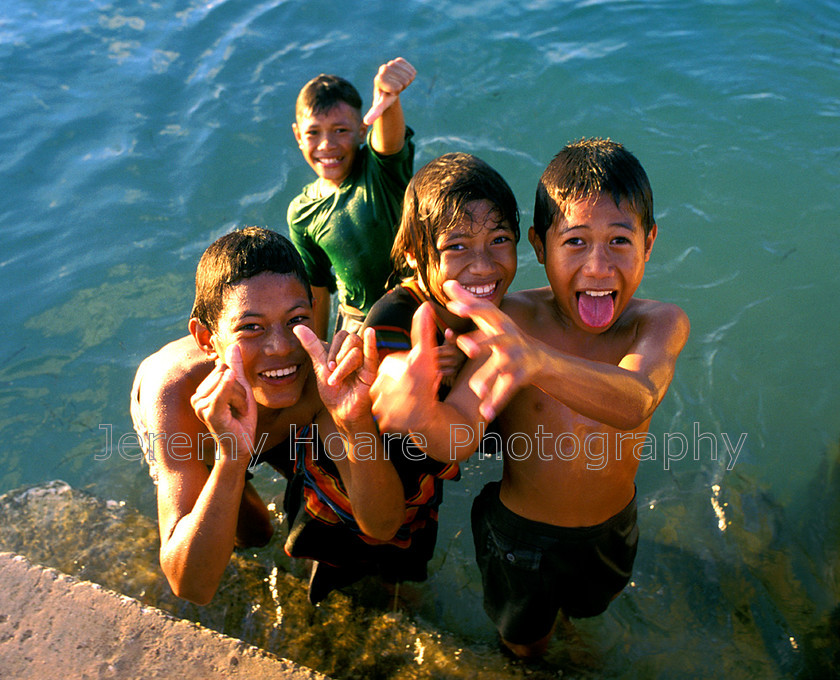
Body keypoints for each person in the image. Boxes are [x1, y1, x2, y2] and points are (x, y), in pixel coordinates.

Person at [372, 139, 690, 658]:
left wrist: (537, 362)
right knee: (524, 641)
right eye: (576, 242)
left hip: (611, 527)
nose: (597, 267)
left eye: (619, 241)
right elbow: (458, 434)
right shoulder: (510, 321)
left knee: (588, 609)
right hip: (521, 537)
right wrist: (421, 414)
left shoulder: (658, 323)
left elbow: (637, 398)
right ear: (540, 247)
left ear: (649, 242)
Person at [130, 226, 404, 606]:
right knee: (255, 532)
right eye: (251, 327)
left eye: (296, 319)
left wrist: (356, 422)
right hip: (211, 430)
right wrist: (231, 460)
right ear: (207, 340)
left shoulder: (318, 380)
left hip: (285, 418)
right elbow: (191, 587)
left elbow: (383, 525)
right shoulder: (177, 393)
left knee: (337, 505)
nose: (281, 347)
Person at [359, 152, 520, 589]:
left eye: (500, 239)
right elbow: (391, 392)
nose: (483, 265)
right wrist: (424, 385)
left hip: (422, 486)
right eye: (456, 246)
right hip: (362, 489)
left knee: (407, 579)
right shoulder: (393, 318)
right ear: (413, 255)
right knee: (358, 573)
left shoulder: (487, 314)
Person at [288, 57, 416, 338]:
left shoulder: (379, 169)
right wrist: (318, 351)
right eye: (313, 133)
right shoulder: (301, 212)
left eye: (340, 130)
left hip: (416, 304)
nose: (326, 144)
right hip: (358, 323)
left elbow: (389, 142)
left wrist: (388, 101)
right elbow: (316, 289)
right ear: (298, 135)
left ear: (362, 130)